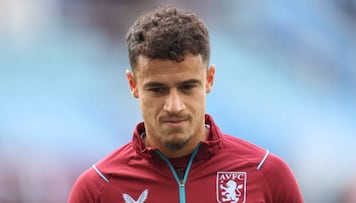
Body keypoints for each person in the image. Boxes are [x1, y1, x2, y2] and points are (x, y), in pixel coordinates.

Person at [68, 6, 303, 203]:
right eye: (157, 89)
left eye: (187, 87)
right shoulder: (97, 189)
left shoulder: (267, 174)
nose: (174, 106)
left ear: (209, 79)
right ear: (133, 84)